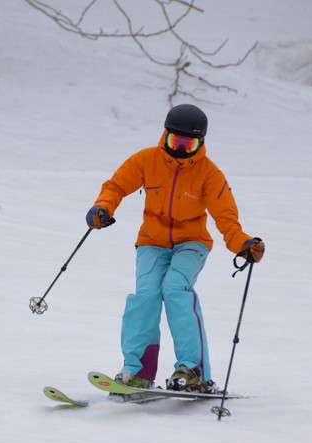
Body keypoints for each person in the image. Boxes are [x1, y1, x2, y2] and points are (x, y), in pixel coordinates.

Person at [85, 104, 265, 392]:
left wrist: (242, 243)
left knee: (174, 289)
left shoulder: (209, 174)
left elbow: (226, 217)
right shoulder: (146, 160)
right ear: (165, 136)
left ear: (201, 143)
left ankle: (193, 370)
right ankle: (138, 371)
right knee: (145, 295)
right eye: (175, 142)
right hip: (151, 243)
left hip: (191, 243)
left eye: (188, 144)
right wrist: (102, 208)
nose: (180, 150)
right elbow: (116, 186)